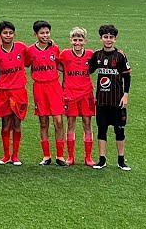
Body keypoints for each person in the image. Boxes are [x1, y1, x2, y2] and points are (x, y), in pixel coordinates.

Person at [88, 24, 132, 171]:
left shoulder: (120, 55)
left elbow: (127, 77)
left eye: (111, 37)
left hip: (117, 100)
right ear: (101, 38)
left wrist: (125, 95)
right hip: (101, 101)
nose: (108, 40)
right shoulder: (96, 55)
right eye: (105, 37)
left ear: (115, 39)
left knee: (119, 131)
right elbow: (87, 70)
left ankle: (121, 160)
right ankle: (102, 159)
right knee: (102, 129)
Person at [25, 20, 66, 167]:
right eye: (42, 33)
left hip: (54, 88)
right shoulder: (29, 51)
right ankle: (46, 156)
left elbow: (61, 65)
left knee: (59, 121)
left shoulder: (55, 48)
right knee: (43, 122)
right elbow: (25, 64)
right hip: (39, 88)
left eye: (47, 32)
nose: (45, 35)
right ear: (35, 34)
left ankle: (60, 156)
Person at [58, 27, 95, 166]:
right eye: (75, 40)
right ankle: (71, 156)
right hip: (69, 94)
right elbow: (58, 65)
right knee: (71, 124)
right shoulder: (65, 54)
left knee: (87, 123)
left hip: (86, 94)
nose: (77, 42)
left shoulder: (91, 54)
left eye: (80, 40)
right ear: (71, 40)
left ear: (85, 41)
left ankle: (88, 157)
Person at [0, 21, 28, 166]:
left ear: (14, 34)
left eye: (10, 33)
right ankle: (6, 155)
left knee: (17, 123)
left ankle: (15, 156)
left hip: (19, 91)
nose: (8, 35)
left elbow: (32, 57)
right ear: (0, 35)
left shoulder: (21, 48)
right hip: (3, 92)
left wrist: (50, 43)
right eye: (5, 33)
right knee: (5, 124)